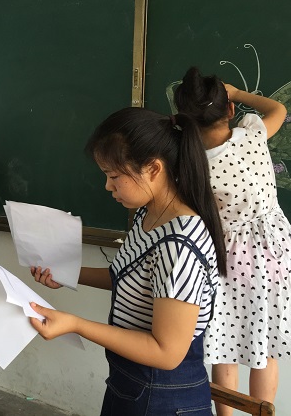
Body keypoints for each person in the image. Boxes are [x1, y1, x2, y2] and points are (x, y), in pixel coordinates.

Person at [29, 107, 227, 416]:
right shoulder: (149, 214)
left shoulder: (178, 246)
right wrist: (67, 274)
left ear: (153, 169)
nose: (108, 186)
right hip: (131, 385)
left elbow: (166, 353)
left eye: (114, 176)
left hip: (163, 397)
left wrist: (76, 324)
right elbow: (128, 277)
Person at [174, 67, 290, 415]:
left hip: (229, 259)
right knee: (264, 348)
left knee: (224, 348)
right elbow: (279, 109)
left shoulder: (193, 166)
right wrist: (237, 92)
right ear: (229, 110)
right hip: (275, 253)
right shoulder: (252, 133)